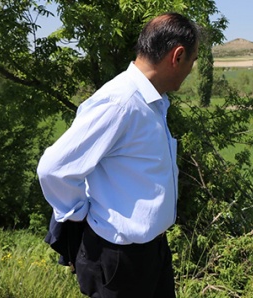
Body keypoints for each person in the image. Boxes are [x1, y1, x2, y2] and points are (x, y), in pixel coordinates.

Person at [37, 12, 199, 298]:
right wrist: (80, 215)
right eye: (193, 61)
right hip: (119, 262)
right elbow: (54, 168)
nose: (191, 70)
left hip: (152, 253)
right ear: (178, 55)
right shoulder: (120, 102)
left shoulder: (152, 101)